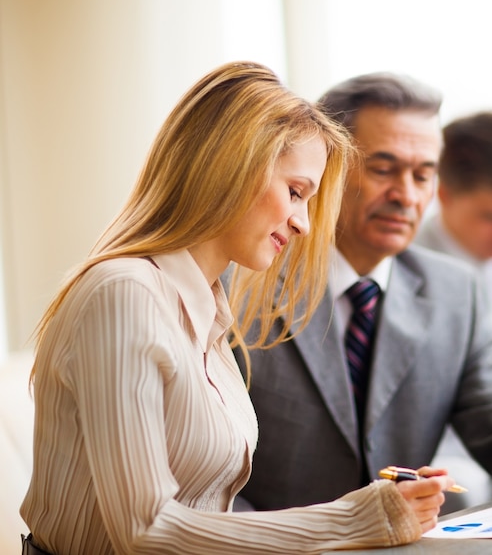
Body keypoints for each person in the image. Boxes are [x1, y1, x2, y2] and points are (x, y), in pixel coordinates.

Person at [19, 62, 457, 555]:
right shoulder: (123, 294)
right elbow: (145, 533)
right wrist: (353, 520)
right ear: (231, 166)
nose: (303, 225)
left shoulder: (211, 308)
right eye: (296, 193)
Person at [233, 71, 492, 515]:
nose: (407, 195)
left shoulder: (456, 293)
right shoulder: (244, 284)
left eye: (423, 175)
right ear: (327, 167)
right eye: (383, 169)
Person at [413, 110, 492, 510]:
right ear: (444, 195)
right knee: (468, 488)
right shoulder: (403, 266)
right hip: (441, 458)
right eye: (490, 216)